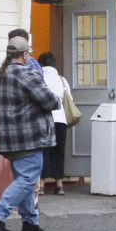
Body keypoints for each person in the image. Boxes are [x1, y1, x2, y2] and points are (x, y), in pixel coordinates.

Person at [0, 35, 60, 231]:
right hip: (29, 136)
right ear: (25, 55)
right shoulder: (26, 74)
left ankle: (30, 222)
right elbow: (51, 101)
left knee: (24, 177)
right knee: (27, 179)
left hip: (6, 138)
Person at [37, 53, 73, 195]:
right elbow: (69, 98)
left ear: (40, 64)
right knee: (58, 151)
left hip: (42, 119)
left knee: (43, 151)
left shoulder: (38, 78)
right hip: (60, 119)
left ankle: (42, 185)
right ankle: (59, 184)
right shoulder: (61, 80)